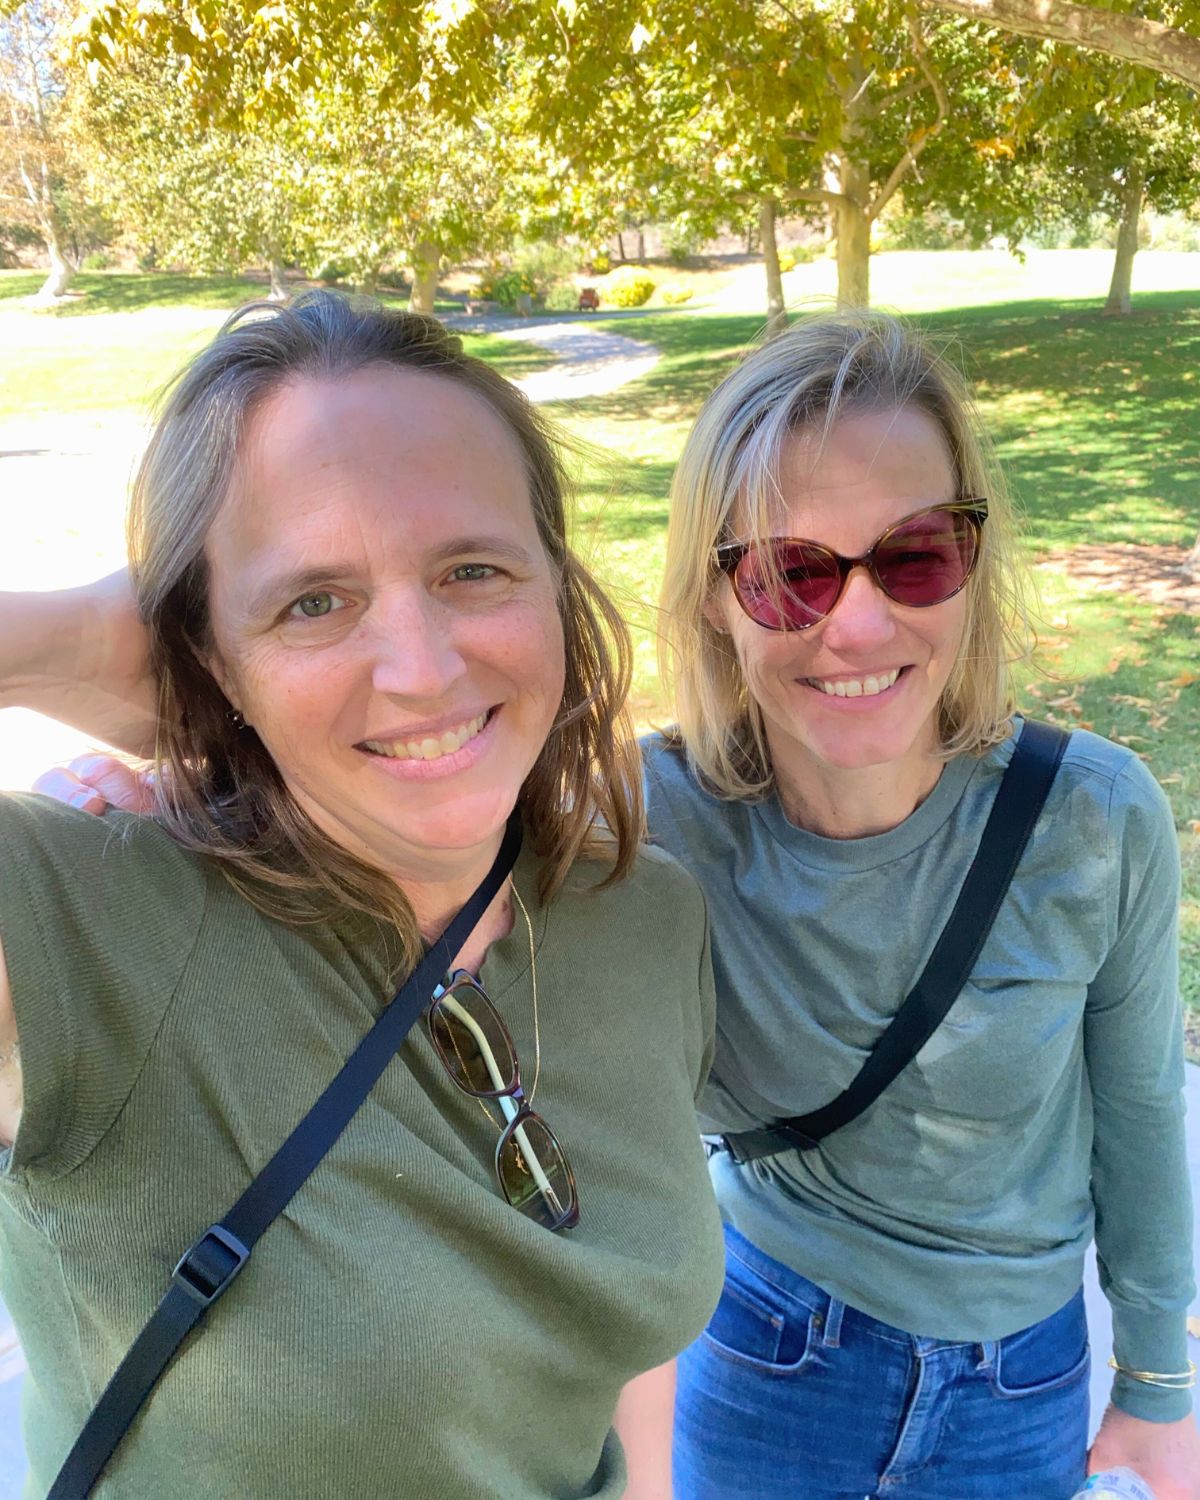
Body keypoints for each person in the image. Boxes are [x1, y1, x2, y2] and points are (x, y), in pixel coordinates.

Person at [0, 291, 725, 1498]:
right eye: (313, 602)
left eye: (473, 569)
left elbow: (621, 1327)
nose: (422, 670)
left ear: (556, 584)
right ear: (206, 651)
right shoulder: (77, 930)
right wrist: (69, 639)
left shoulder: (640, 914)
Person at [644, 309, 1200, 1499]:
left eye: (915, 555)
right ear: (712, 599)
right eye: (790, 572)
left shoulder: (1093, 821)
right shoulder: (647, 822)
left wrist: (1157, 1384)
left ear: (972, 566)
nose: (856, 623)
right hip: (765, 1355)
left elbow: (1145, 1111)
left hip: (1022, 1386)